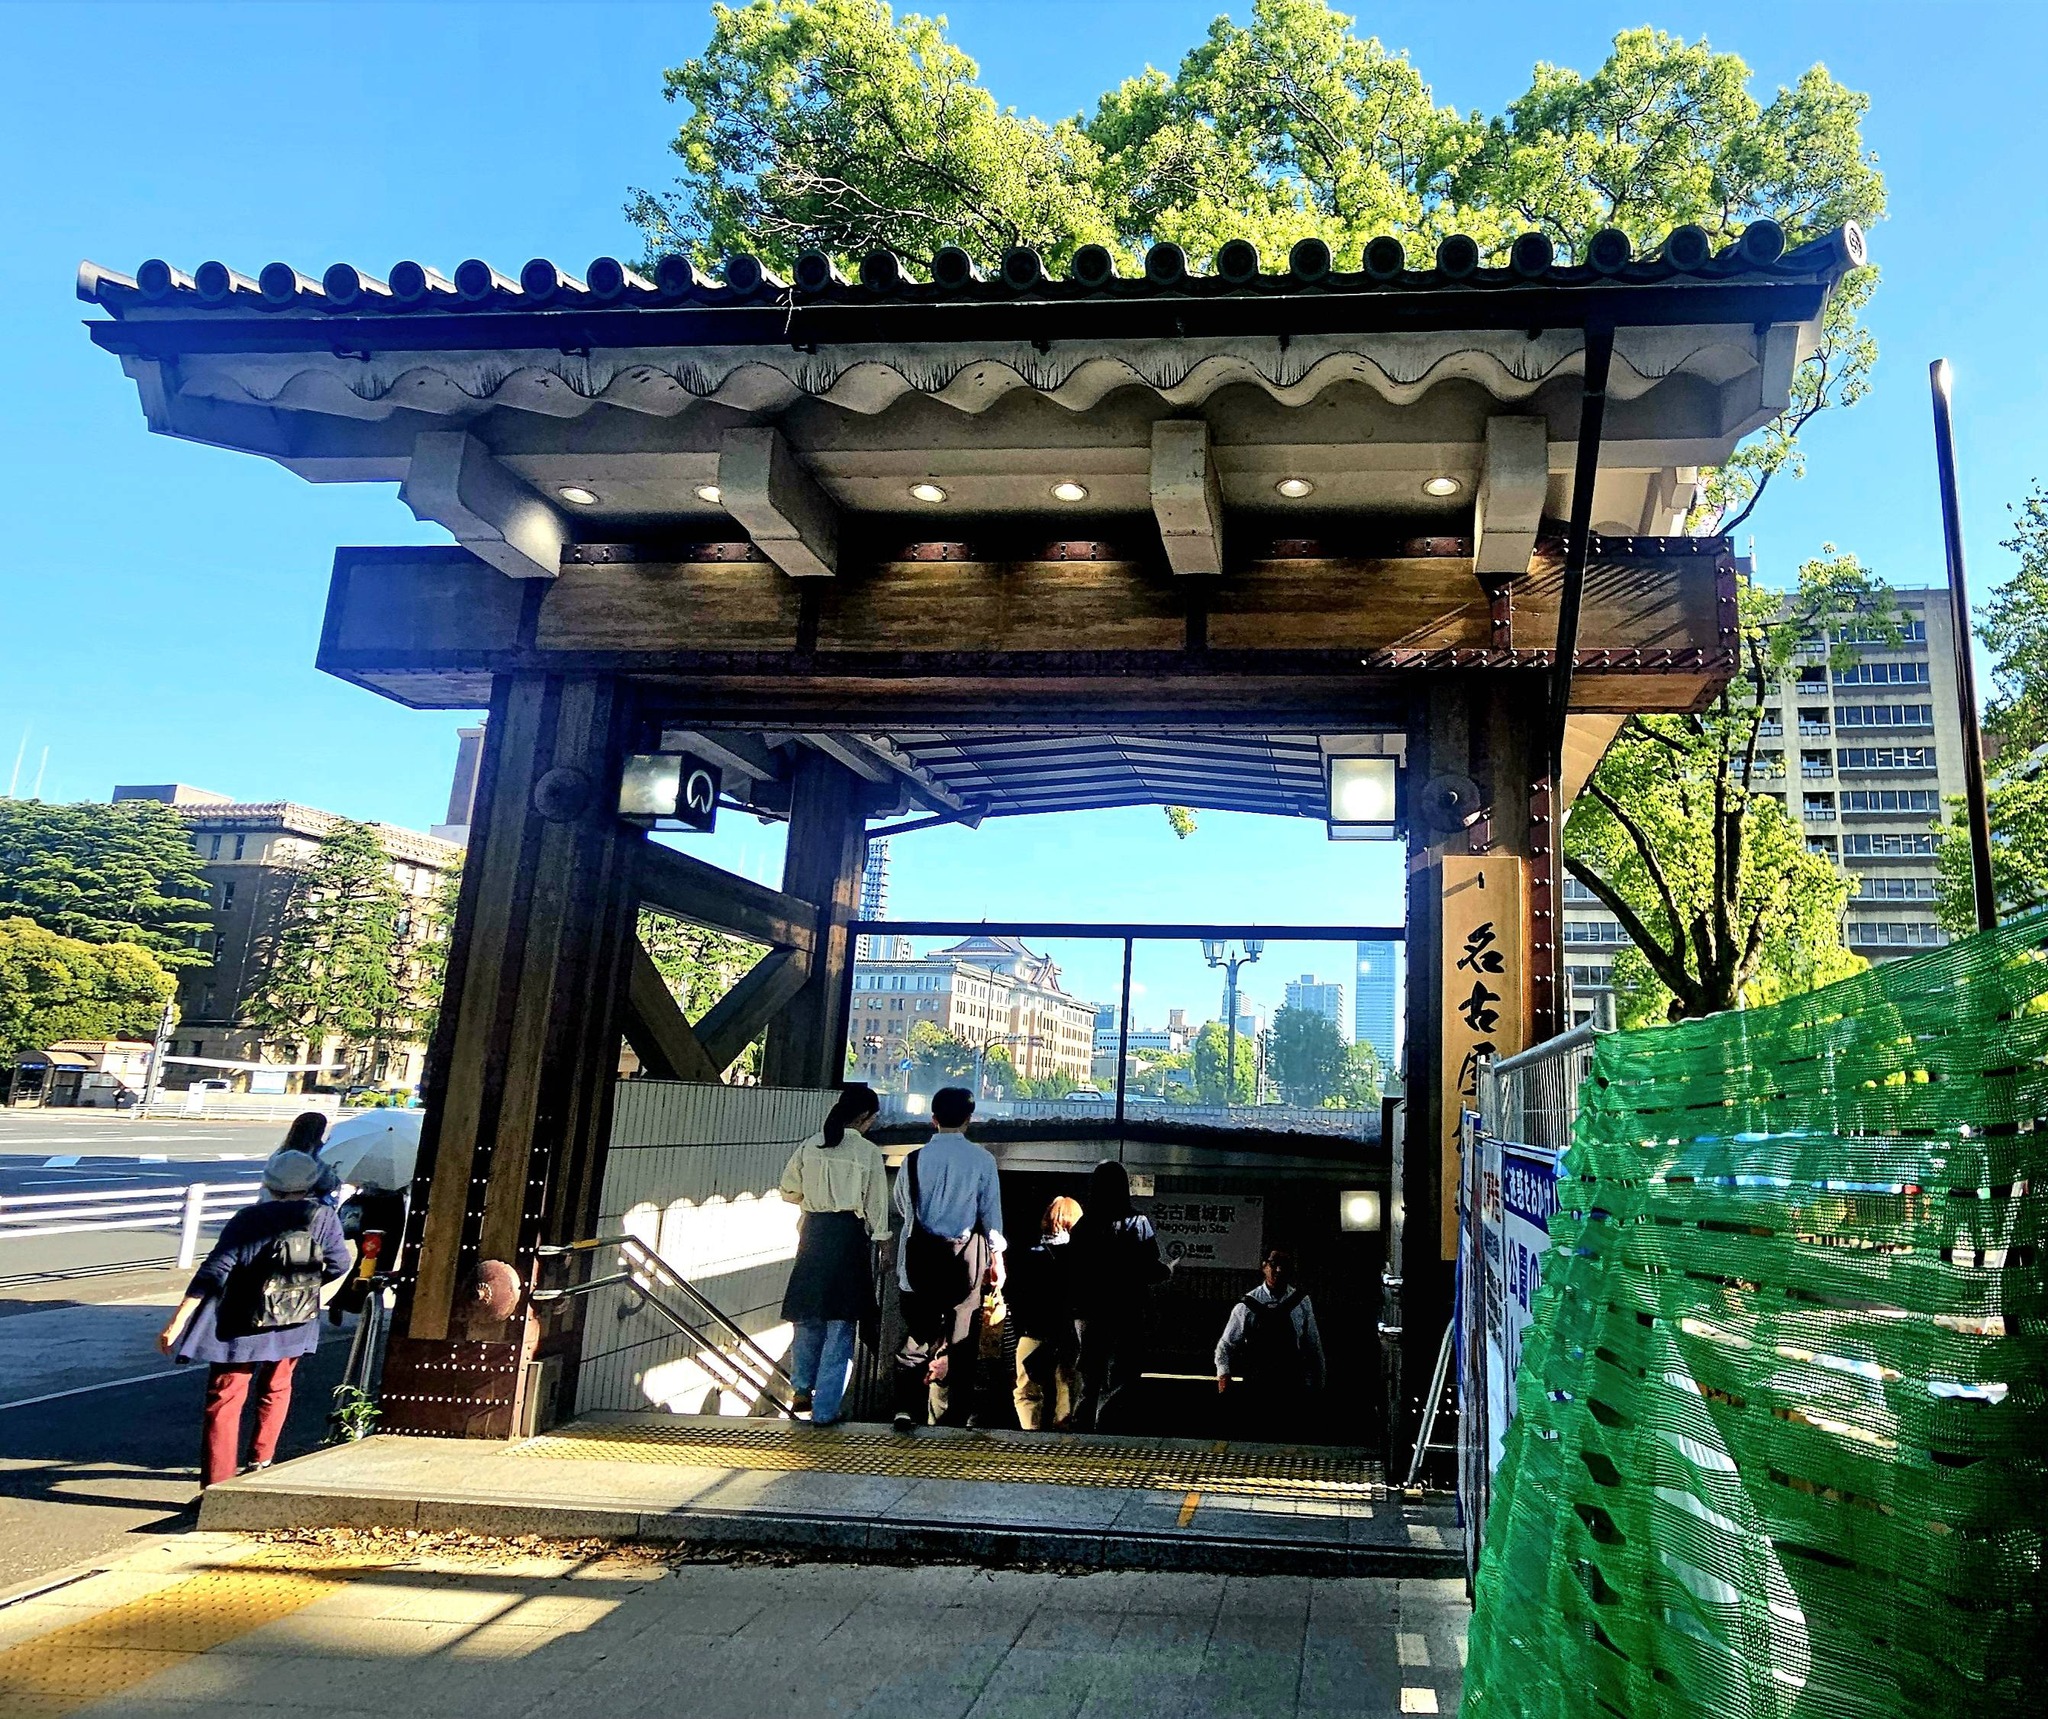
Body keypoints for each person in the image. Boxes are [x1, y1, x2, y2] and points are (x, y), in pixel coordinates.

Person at [157, 1147, 352, 1487]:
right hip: (295, 1318)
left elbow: (215, 1270)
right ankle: (261, 1460)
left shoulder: (248, 1219)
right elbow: (339, 1264)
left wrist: (178, 1319)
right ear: (310, 1183)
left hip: (241, 1320)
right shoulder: (323, 1217)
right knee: (277, 1387)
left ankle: (217, 1481)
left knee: (226, 1396)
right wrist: (301, 1286)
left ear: (269, 1183)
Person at [891, 1086, 1005, 1431]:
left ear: (933, 1119)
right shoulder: (982, 1160)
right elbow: (991, 1216)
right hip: (965, 1263)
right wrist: (997, 1260)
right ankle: (957, 1417)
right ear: (969, 1119)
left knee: (917, 1338)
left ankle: (905, 1410)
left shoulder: (912, 1160)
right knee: (963, 1343)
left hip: (919, 1263)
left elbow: (904, 1207)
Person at [778, 1083, 888, 1426]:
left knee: (807, 1315)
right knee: (840, 1324)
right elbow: (876, 1204)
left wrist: (812, 1200)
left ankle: (801, 1387)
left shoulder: (811, 1144)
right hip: (848, 1236)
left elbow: (788, 1190)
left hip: (813, 1233)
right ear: (866, 1116)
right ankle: (825, 1409)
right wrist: (883, 1241)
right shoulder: (867, 1152)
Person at [1067, 1161, 1169, 1432]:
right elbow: (1151, 1265)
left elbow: (1072, 1271)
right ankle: (1110, 1427)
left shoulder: (1083, 1226)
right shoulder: (1138, 1222)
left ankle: (1081, 1429)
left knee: (1090, 1376)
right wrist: (1165, 1271)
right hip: (1128, 1311)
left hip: (1090, 1313)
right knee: (1121, 1375)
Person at [1214, 1248, 1327, 1434]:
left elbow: (1314, 1346)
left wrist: (1318, 1383)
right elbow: (1225, 1345)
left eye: (1284, 1266)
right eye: (1274, 1265)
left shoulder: (1302, 1302)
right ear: (1264, 1267)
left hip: (1291, 1383)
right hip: (1256, 1382)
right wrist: (1224, 1375)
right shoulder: (1246, 1305)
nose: (1279, 1270)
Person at [1007, 1195, 1083, 1430]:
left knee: (1027, 1390)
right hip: (1068, 1334)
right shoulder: (1079, 1257)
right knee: (1067, 1387)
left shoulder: (1029, 1255)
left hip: (1032, 1332)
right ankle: (1064, 1435)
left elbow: (1015, 1294)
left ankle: (1030, 1434)